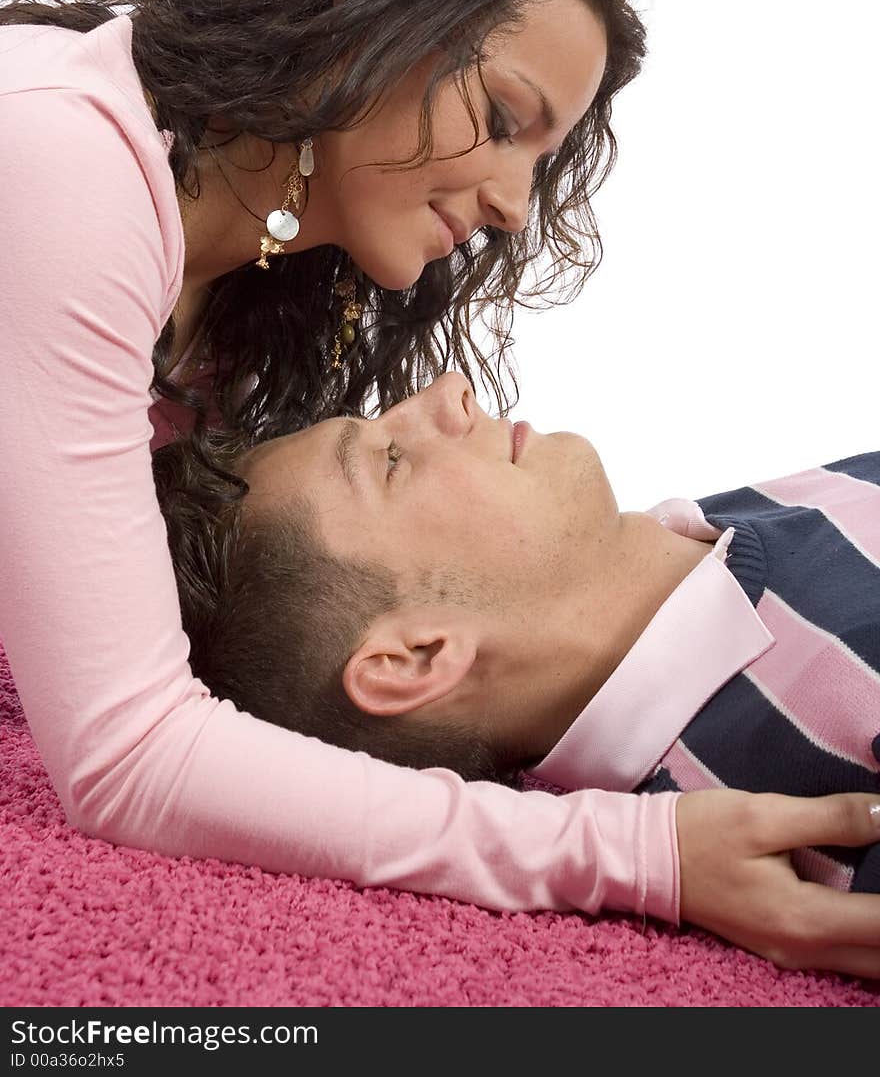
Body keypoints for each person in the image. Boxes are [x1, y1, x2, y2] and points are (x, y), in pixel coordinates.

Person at [2, 0, 878, 981]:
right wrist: (629, 854)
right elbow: (127, 755)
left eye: (548, 152)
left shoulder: (237, 292)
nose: (520, 203)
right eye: (506, 115)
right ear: (366, 12)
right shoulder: (61, 167)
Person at [158, 374, 880, 900]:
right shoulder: (817, 779)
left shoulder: (748, 522)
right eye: (391, 460)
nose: (450, 391)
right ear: (415, 659)